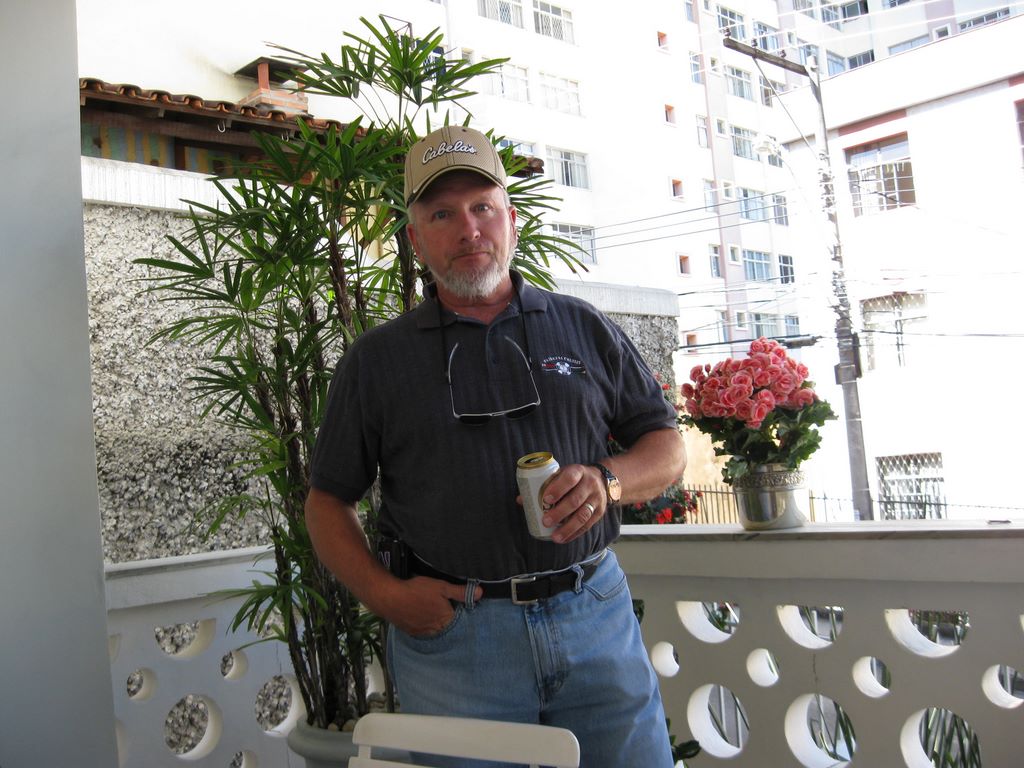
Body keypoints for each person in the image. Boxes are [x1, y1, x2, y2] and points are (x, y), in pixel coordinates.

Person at [306, 125, 687, 767]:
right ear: (415, 237)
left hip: (594, 612)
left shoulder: (582, 326)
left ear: (511, 220)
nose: (468, 230)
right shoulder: (376, 362)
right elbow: (326, 502)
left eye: (483, 207)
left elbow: (667, 447)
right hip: (458, 643)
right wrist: (384, 595)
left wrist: (608, 481)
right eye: (442, 213)